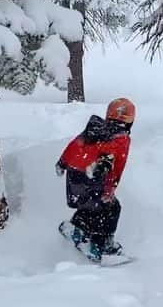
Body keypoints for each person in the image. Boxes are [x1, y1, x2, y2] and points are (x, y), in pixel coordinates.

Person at [56, 98, 135, 260]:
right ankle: (102, 245)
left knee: (89, 207)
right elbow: (112, 154)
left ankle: (76, 229)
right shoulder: (121, 138)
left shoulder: (93, 130)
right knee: (111, 209)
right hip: (96, 177)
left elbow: (74, 145)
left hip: (74, 176)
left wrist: (62, 162)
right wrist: (103, 167)